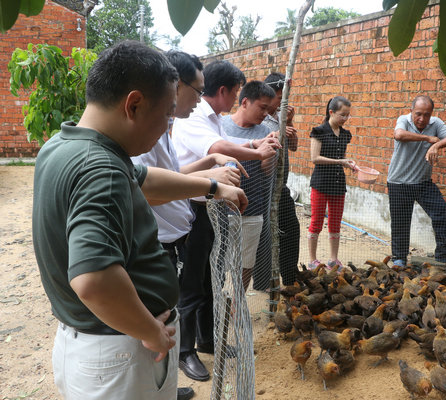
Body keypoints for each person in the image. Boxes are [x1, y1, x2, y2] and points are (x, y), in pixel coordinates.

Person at [31, 40, 246, 400]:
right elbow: (94, 281)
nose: (166, 127)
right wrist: (151, 331)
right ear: (133, 105)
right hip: (119, 351)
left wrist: (212, 187)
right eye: (166, 115)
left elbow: (145, 179)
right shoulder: (101, 170)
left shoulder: (64, 145)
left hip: (90, 343)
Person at [130, 51, 244, 386]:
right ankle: (184, 353)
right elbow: (148, 188)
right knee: (180, 297)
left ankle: (202, 344)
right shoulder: (146, 132)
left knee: (203, 283)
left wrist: (210, 162)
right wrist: (212, 184)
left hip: (182, 227)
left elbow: (173, 173)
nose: (199, 99)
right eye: (197, 90)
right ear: (175, 85)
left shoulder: (165, 127)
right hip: (161, 238)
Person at [171, 61, 280, 360]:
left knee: (209, 281)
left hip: (208, 207)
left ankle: (207, 342)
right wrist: (257, 152)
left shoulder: (212, 117)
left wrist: (255, 142)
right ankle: (185, 352)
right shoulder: (193, 117)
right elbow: (218, 148)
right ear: (223, 91)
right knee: (192, 283)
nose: (236, 98)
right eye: (234, 92)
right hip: (189, 208)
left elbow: (226, 141)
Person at [387, 95, 446, 267]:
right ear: (411, 111)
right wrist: (428, 139)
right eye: (418, 114)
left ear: (431, 114)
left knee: (441, 211)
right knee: (401, 221)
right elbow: (399, 135)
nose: (422, 119)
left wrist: (436, 145)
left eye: (426, 115)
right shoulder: (403, 120)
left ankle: (443, 254)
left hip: (423, 182)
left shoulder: (435, 123)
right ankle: (399, 258)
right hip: (399, 182)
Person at [222, 80, 278, 291]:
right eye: (262, 107)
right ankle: (217, 300)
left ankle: (238, 302)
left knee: (246, 262)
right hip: (220, 208)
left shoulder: (265, 131)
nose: (265, 114)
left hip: (252, 206)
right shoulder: (221, 126)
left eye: (269, 109)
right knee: (218, 260)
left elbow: (267, 172)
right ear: (245, 102)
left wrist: (271, 149)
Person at [258, 72, 300, 287]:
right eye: (279, 97)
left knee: (291, 229)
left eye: (286, 97)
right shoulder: (260, 118)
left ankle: (290, 279)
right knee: (264, 235)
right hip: (262, 188)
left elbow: (294, 147)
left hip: (281, 185)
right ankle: (263, 282)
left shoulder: (282, 117)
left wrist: (289, 122)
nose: (283, 102)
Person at [307, 96, 356, 270]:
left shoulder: (345, 134)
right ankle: (312, 260)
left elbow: (342, 157)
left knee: (335, 223)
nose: (346, 118)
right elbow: (315, 158)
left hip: (338, 183)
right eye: (343, 115)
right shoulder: (319, 131)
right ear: (331, 112)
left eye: (348, 115)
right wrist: (340, 162)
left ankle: (333, 259)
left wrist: (349, 164)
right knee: (316, 222)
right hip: (320, 183)